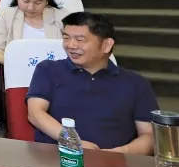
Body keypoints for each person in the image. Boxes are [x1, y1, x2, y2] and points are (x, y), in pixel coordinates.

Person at [27, 12, 158, 154]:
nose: (71, 45)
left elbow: (149, 135)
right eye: (66, 38)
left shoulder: (136, 83)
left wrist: (119, 154)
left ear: (106, 45)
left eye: (80, 39)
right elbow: (35, 113)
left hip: (116, 164)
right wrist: (74, 142)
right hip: (56, 160)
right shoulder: (48, 69)